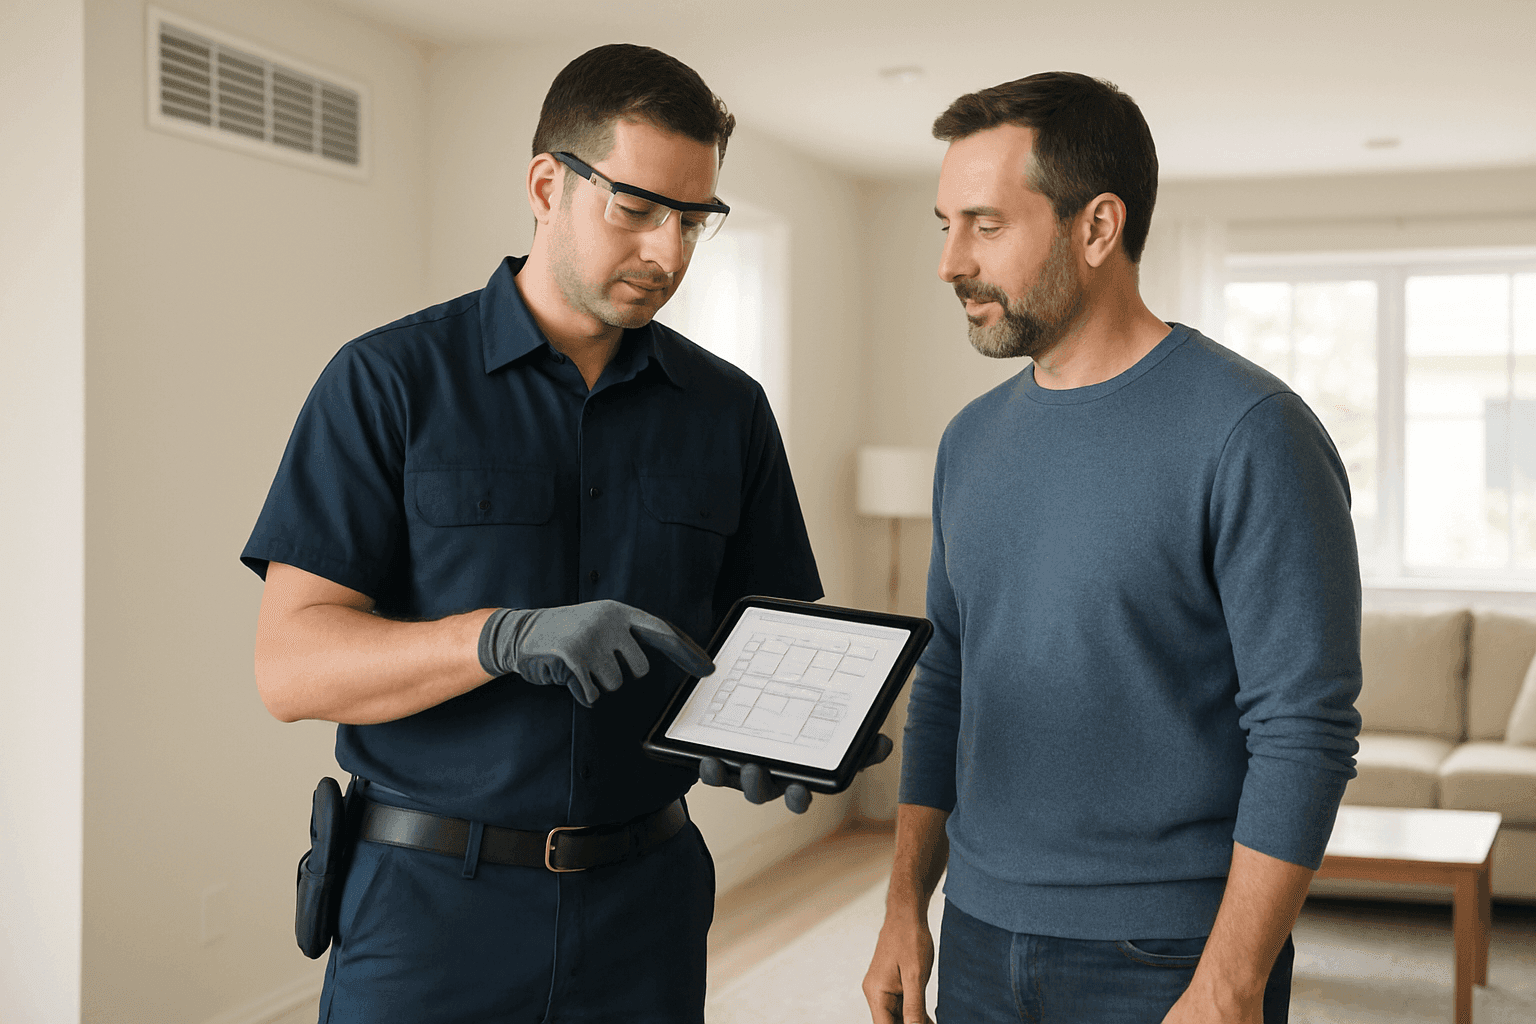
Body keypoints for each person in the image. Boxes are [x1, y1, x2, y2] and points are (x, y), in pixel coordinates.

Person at [244, 44, 827, 1024]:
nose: (669, 253)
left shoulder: (728, 412)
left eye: (694, 220)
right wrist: (498, 637)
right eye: (638, 208)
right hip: (430, 914)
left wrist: (784, 733)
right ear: (547, 185)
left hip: (648, 909)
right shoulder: (388, 382)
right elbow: (290, 666)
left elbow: (770, 640)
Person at [862, 72, 1362, 1024]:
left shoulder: (1253, 432)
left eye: (986, 224)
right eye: (944, 224)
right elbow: (949, 684)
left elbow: (1304, 728)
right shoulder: (970, 440)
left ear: (1097, 228)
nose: (950, 261)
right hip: (975, 930)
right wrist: (903, 904)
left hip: (1167, 954)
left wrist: (1230, 981)